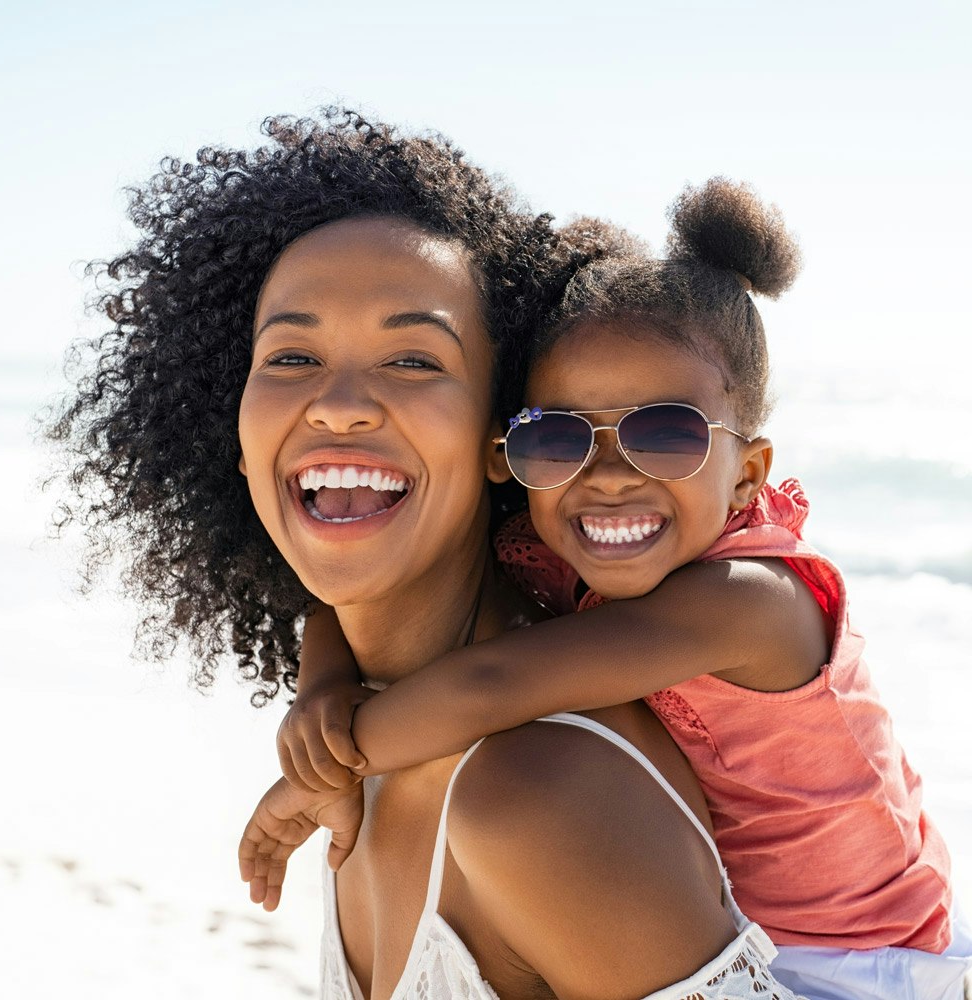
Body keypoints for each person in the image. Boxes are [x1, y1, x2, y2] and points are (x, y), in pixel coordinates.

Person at [49, 111, 803, 999]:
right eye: (291, 355)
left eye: (412, 358)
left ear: (503, 442)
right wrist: (323, 702)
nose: (339, 404)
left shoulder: (534, 795)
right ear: (238, 440)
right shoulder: (355, 740)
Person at [251, 179, 972, 1000]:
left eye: (665, 434)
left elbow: (497, 681)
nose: (606, 476)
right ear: (511, 455)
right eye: (558, 438)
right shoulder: (577, 552)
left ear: (750, 475)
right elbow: (353, 597)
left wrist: (319, 772)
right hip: (752, 931)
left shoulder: (749, 600)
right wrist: (323, 683)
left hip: (861, 960)